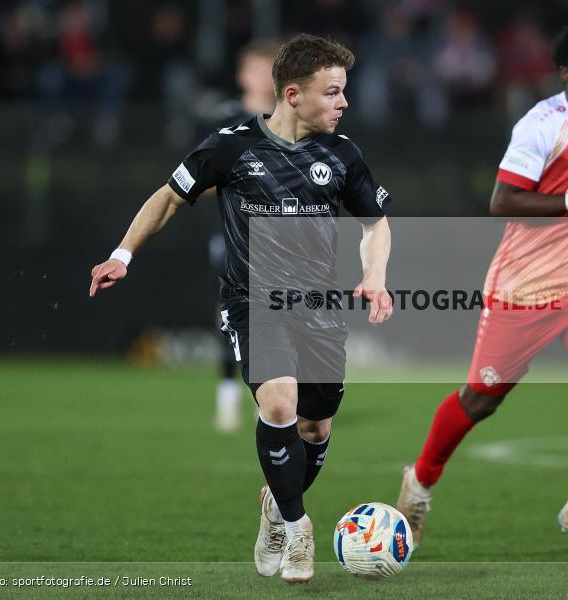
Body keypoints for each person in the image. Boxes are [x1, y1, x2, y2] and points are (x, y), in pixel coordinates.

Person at [89, 34, 394, 583]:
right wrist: (122, 254)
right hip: (253, 302)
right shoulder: (230, 147)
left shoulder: (343, 154)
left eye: (344, 92)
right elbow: (168, 197)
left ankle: (276, 506)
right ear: (294, 94)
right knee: (279, 404)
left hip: (320, 310)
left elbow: (375, 223)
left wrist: (374, 275)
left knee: (316, 428)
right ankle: (298, 528)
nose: (344, 103)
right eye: (334, 92)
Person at [396, 22, 568, 560]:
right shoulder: (542, 124)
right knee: (481, 400)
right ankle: (418, 485)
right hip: (526, 287)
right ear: (565, 72)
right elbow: (504, 202)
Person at [207, 40, 281, 432]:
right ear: (242, 75)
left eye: (271, 68)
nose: (265, 76)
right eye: (258, 68)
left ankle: (268, 399)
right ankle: (227, 398)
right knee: (232, 316)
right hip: (235, 237)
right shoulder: (228, 119)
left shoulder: (287, 119)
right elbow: (197, 179)